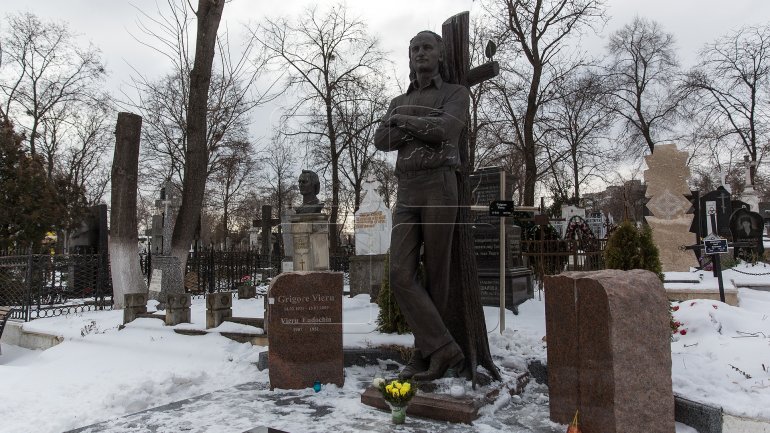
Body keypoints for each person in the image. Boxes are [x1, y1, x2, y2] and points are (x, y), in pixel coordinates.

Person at [373, 30, 469, 381]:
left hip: (439, 186)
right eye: (414, 49)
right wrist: (419, 126)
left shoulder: (455, 93)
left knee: (436, 274)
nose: (420, 53)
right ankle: (442, 348)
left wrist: (406, 124)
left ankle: (424, 352)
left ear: (440, 56)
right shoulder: (398, 100)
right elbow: (382, 139)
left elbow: (447, 130)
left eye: (427, 47)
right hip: (408, 188)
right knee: (400, 272)